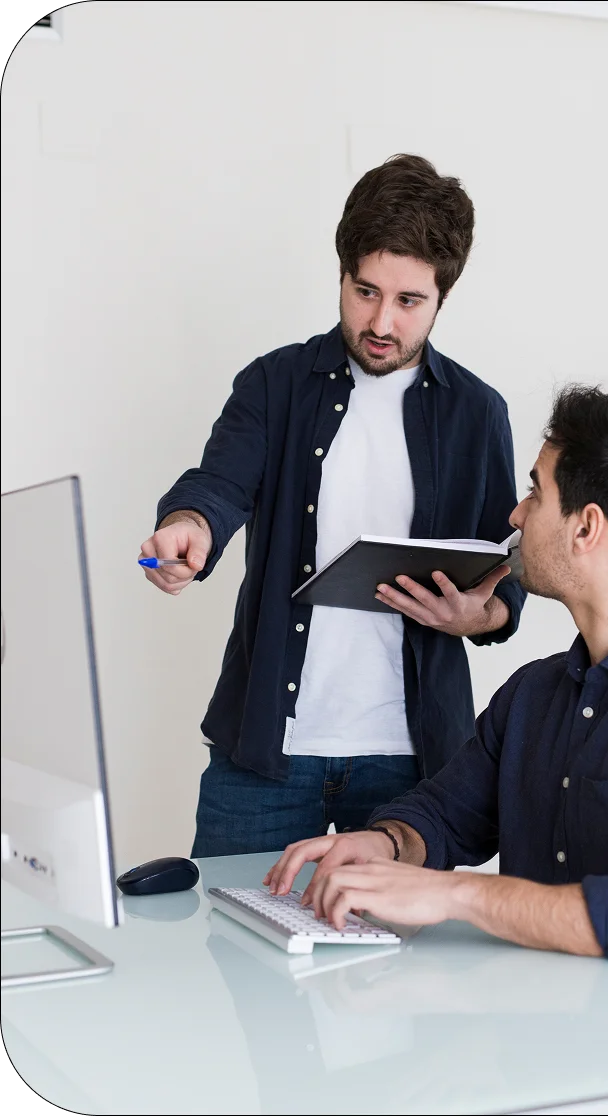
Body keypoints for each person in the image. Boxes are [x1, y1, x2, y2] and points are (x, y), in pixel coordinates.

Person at [266, 386, 608, 1008]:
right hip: (538, 1040)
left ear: (587, 527)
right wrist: (382, 844)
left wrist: (457, 894)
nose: (517, 516)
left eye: (536, 491)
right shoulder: (533, 694)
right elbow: (443, 817)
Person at [140, 154, 526, 857]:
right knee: (225, 951)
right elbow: (218, 485)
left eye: (409, 301)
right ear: (342, 274)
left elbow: (510, 564)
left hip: (410, 766)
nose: (380, 321)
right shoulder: (274, 383)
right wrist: (185, 528)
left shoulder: (478, 412)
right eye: (364, 291)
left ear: (443, 298)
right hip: (265, 753)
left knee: (401, 967)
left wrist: (485, 613)